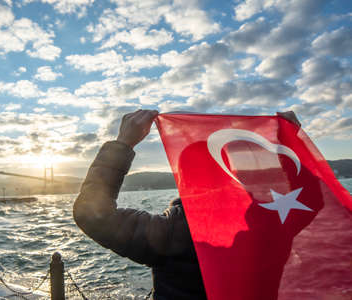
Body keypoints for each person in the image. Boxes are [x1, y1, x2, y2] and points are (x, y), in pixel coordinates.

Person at [73, 109, 301, 300]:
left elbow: (92, 214)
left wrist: (123, 143)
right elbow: (311, 201)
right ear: (229, 176)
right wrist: (293, 144)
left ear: (183, 180)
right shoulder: (268, 222)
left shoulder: (171, 233)